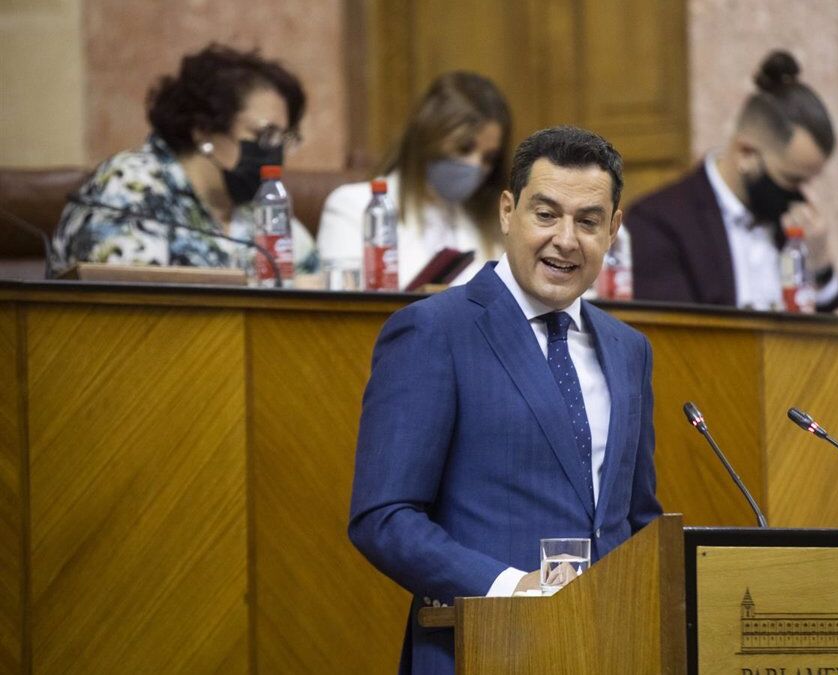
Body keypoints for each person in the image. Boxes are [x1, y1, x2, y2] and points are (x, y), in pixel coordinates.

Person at [348, 126, 661, 674]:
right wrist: (510, 587)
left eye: (588, 222)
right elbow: (384, 517)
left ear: (613, 230)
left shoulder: (628, 349)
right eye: (546, 215)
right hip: (480, 646)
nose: (566, 240)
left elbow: (637, 519)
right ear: (508, 211)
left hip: (607, 649)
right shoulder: (434, 331)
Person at [53, 43, 316, 273]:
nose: (275, 151)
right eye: (265, 134)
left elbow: (315, 281)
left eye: (284, 139)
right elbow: (130, 301)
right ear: (204, 130)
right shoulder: (131, 185)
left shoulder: (260, 207)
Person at [625, 49, 838, 312]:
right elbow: (673, 334)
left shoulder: (790, 225)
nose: (804, 195)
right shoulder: (661, 223)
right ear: (746, 154)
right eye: (792, 179)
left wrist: (820, 264)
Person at [317, 71, 511, 288]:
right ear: (428, 139)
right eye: (464, 148)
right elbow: (344, 304)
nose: (475, 165)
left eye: (488, 158)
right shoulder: (353, 207)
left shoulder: (491, 224)